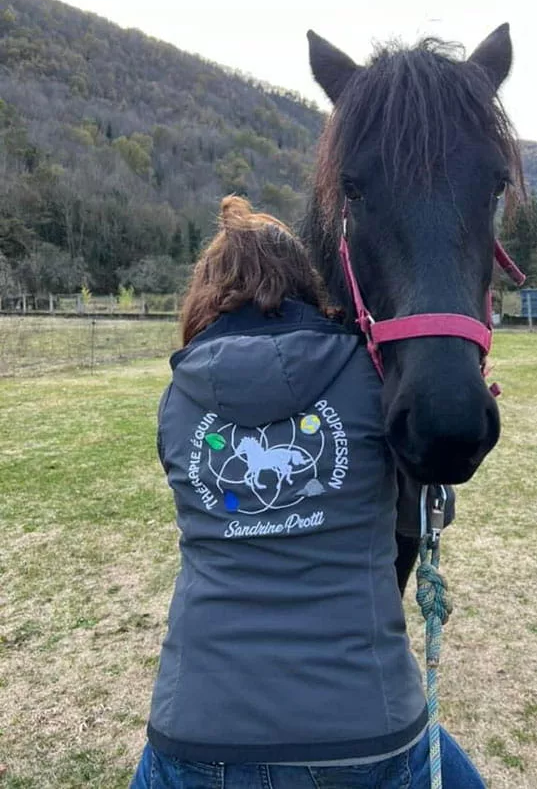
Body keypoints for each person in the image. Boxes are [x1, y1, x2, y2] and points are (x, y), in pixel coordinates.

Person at [130, 195, 485, 788]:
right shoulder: (370, 378)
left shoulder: (178, 400)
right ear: (303, 281)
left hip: (197, 729)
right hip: (365, 727)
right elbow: (421, 516)